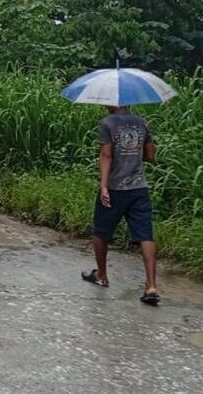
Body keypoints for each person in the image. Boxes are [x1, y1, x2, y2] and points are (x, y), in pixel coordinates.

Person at [82, 105, 159, 305]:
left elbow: (106, 155)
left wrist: (104, 187)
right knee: (145, 235)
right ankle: (151, 286)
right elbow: (150, 155)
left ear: (115, 103)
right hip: (139, 188)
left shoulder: (107, 123)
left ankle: (101, 274)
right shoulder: (141, 122)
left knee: (101, 230)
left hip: (115, 188)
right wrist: (133, 157)